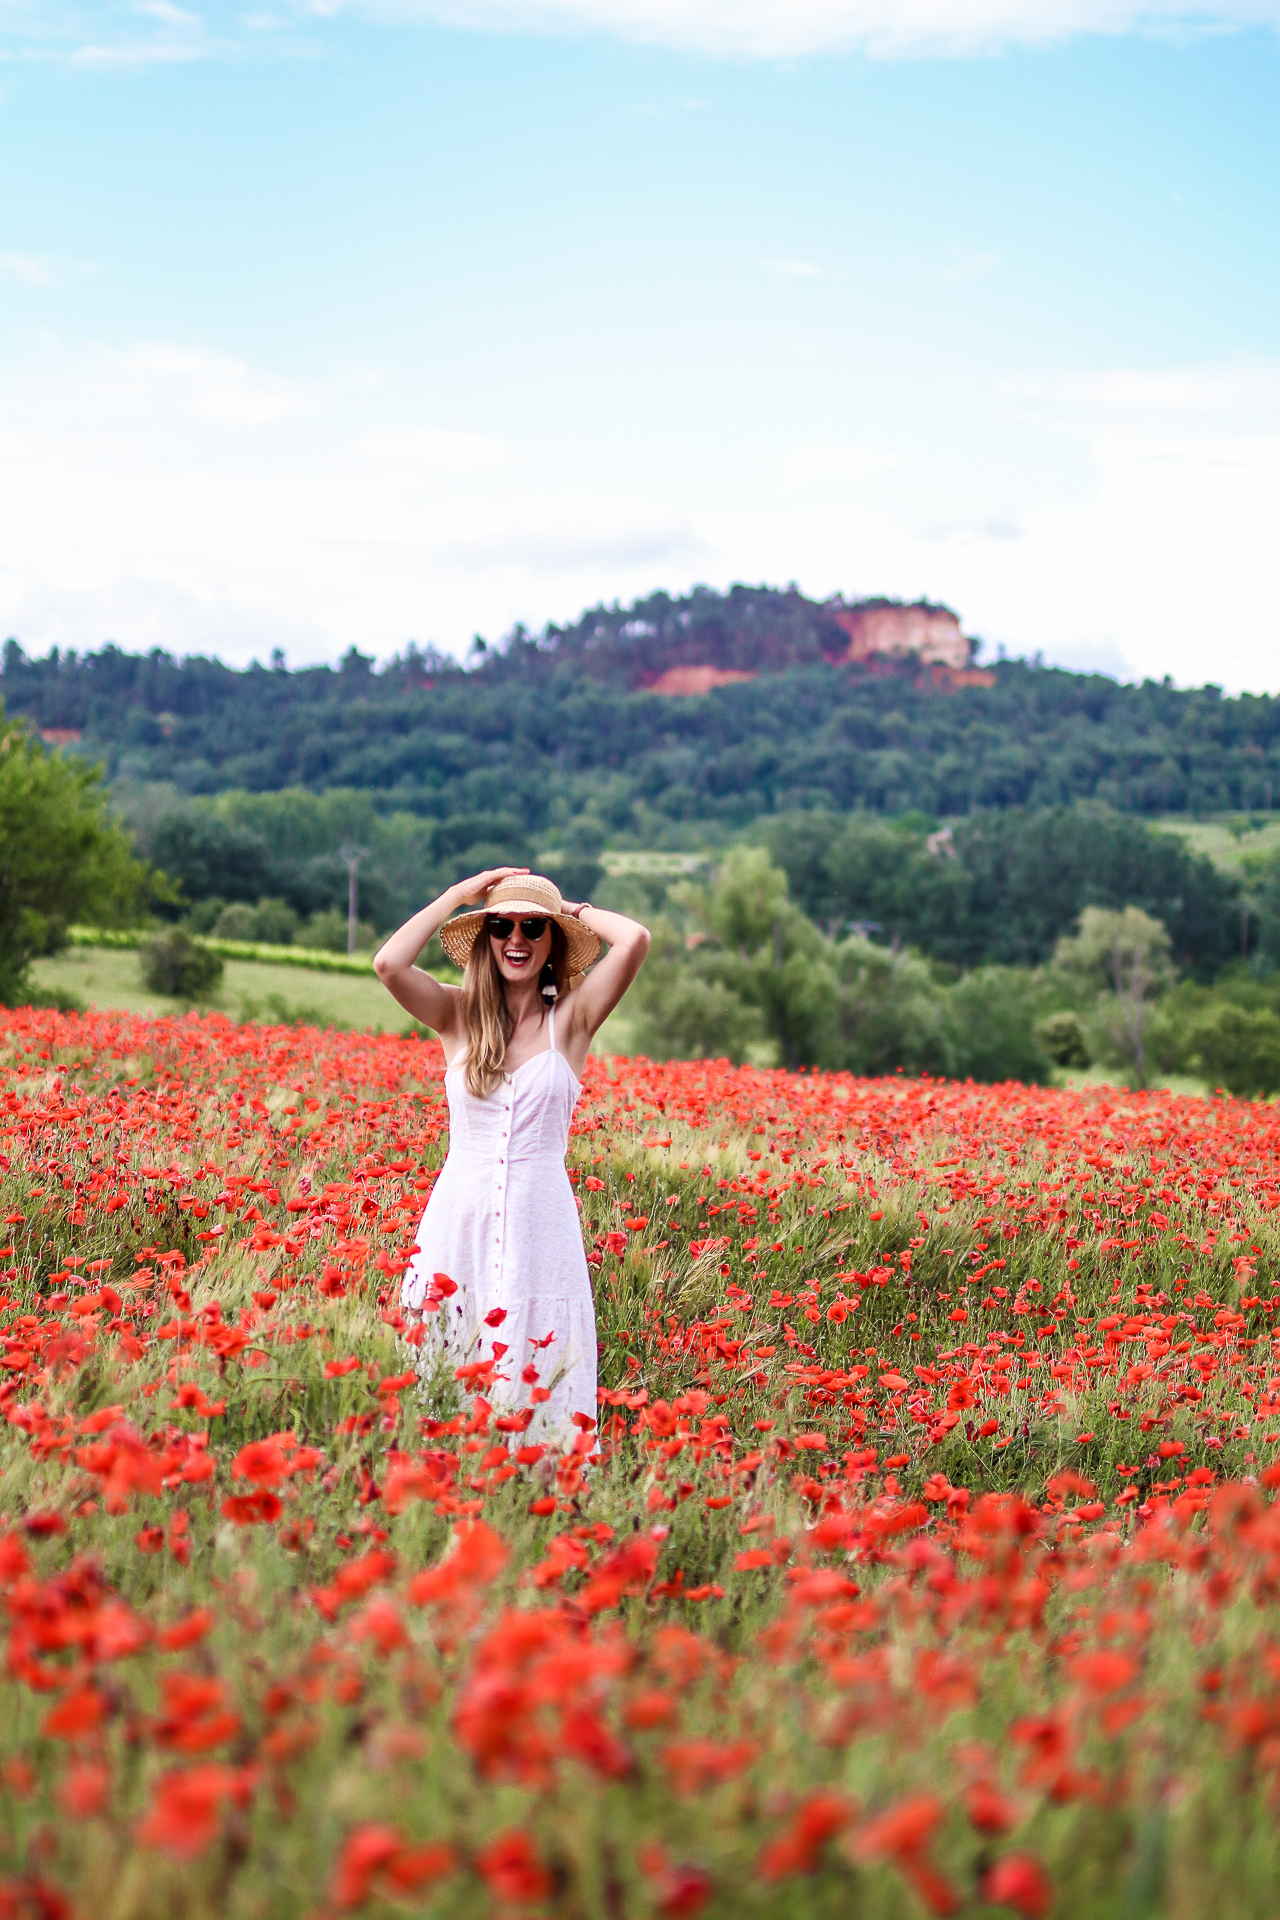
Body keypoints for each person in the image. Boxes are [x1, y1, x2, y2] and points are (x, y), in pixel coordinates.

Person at [373, 868, 650, 1441]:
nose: (516, 939)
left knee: (538, 1354)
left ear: (551, 942)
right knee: (445, 1358)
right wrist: (458, 896)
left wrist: (567, 908)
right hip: (459, 1219)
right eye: (501, 925)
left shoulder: (571, 1022)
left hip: (540, 1226)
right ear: (485, 937)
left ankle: (538, 1496)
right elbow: (389, 964)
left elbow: (635, 940)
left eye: (532, 927)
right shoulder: (455, 1015)